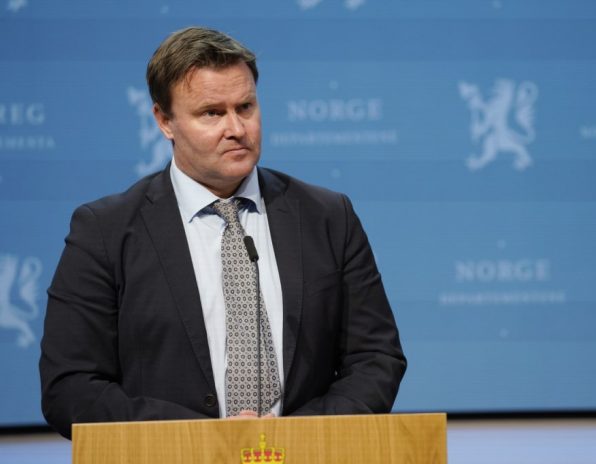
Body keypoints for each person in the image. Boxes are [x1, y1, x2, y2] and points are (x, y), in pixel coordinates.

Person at [39, 26, 406, 439]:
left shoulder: (328, 217)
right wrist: (208, 440)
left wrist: (295, 436)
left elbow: (376, 358)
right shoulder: (105, 232)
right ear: (164, 121)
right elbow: (70, 388)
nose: (236, 128)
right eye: (211, 113)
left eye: (245, 107)